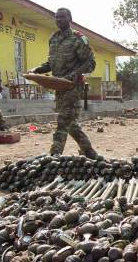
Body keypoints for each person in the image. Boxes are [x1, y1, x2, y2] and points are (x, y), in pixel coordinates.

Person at [30, 8, 100, 159]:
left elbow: (90, 63)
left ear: (70, 19)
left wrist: (73, 75)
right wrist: (37, 70)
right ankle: (90, 152)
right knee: (71, 123)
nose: (59, 20)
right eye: (56, 17)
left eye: (62, 17)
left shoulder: (78, 38)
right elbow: (51, 63)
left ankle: (55, 155)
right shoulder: (53, 38)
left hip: (73, 86)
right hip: (59, 86)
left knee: (63, 121)